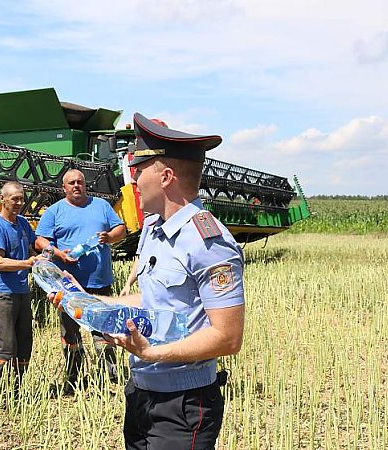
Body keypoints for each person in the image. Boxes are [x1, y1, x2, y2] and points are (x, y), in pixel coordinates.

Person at [75, 113, 246, 449]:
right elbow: (152, 301)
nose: (134, 180)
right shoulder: (154, 230)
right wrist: (83, 300)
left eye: (140, 170)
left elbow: (227, 338)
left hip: (183, 405)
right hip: (141, 394)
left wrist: (153, 352)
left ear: (166, 176)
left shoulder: (208, 242)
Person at [34, 168, 127, 390]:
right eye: (72, 183)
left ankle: (110, 377)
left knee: (104, 328)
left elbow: (122, 229)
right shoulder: (55, 211)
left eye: (80, 182)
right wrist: (58, 254)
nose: (77, 186)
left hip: (100, 282)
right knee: (71, 332)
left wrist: (109, 236)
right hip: (67, 286)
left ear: (85, 185)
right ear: (63, 188)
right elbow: (39, 241)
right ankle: (74, 377)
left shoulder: (101, 205)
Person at [0, 181, 38, 388]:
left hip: (22, 290)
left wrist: (44, 256)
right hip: (3, 292)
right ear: (3, 199)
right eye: (14, 198)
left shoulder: (23, 223)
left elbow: (32, 248)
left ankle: (18, 387)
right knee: (6, 346)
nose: (18, 202)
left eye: (21, 198)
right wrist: (27, 263)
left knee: (25, 343)